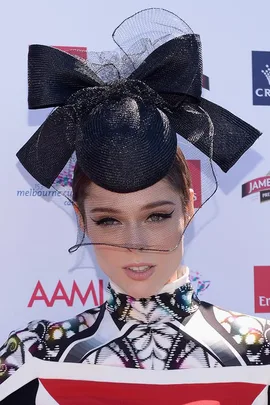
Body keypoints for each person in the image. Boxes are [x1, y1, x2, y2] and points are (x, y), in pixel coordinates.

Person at [0, 7, 269, 404]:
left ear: (189, 206)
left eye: (156, 215)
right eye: (108, 220)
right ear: (82, 219)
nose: (135, 243)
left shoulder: (259, 350)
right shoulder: (33, 353)